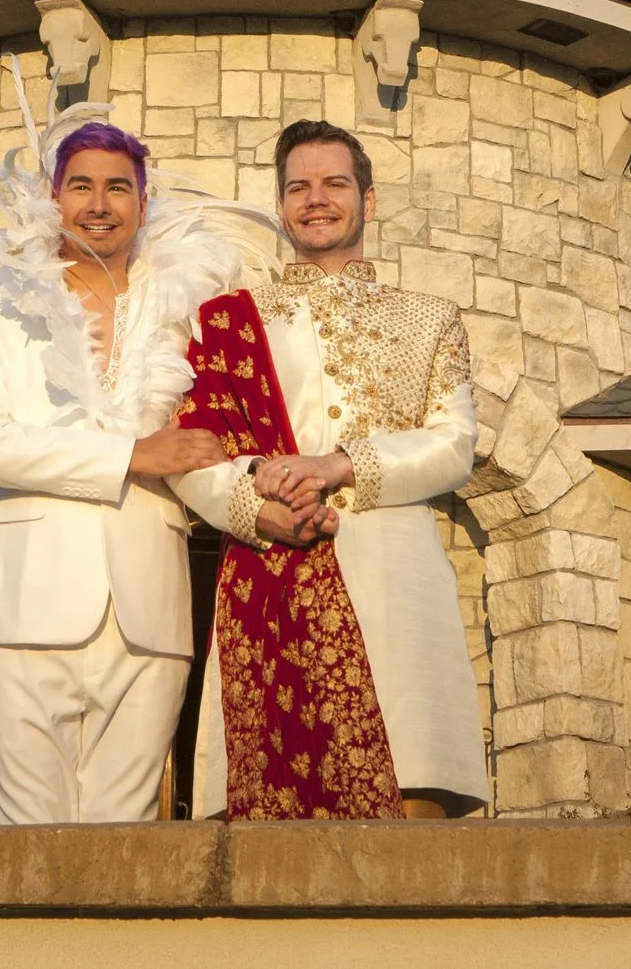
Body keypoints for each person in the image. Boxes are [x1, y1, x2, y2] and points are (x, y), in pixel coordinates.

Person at [0, 103, 332, 824]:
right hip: (26, 611)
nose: (98, 204)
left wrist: (263, 501)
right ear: (52, 197)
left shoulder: (190, 316)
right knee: (31, 839)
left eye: (118, 187)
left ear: (143, 201)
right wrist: (132, 454)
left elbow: (210, 448)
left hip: (151, 615)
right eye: (81, 185)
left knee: (126, 847)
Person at [174, 119, 489, 819]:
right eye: (299, 187)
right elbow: (194, 454)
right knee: (262, 841)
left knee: (412, 812)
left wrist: (337, 464)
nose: (317, 199)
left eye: (334, 184)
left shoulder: (430, 318)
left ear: (368, 200)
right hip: (270, 577)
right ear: (281, 204)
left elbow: (454, 444)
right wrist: (261, 510)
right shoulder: (226, 322)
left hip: (396, 586)